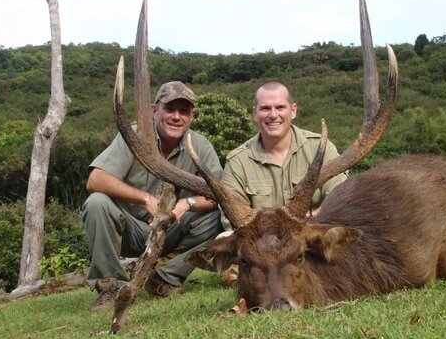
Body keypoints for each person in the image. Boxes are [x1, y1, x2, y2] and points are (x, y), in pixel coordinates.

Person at [81, 81, 223, 311]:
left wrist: (187, 204)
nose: (177, 116)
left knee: (218, 216)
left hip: (172, 228)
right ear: (153, 110)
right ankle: (110, 288)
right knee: (96, 203)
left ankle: (165, 278)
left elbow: (218, 194)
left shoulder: (200, 146)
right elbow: (95, 179)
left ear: (192, 117)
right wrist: (145, 199)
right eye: (169, 109)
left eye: (184, 111)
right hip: (133, 229)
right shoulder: (134, 136)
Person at [222, 79, 347, 218]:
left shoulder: (321, 147)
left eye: (280, 107)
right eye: (265, 108)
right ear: (255, 114)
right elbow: (234, 217)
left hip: (315, 235)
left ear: (293, 111)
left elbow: (341, 197)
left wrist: (313, 220)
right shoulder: (237, 161)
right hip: (262, 239)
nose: (273, 115)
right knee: (223, 237)